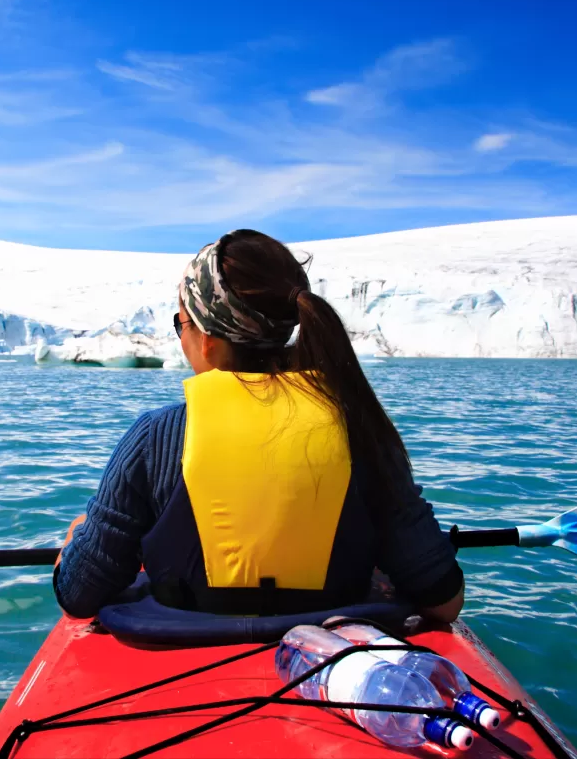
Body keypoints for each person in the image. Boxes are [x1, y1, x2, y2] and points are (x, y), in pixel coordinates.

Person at [53, 229, 464, 623]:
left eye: (182, 325)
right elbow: (444, 602)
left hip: (190, 661)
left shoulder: (155, 438)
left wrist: (78, 539)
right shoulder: (360, 428)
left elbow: (79, 595)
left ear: (208, 341)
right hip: (329, 657)